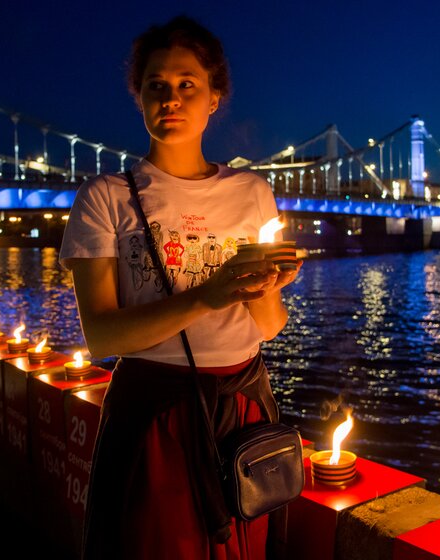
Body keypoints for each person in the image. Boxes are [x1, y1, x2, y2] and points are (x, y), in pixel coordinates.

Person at [59, 16, 301, 560]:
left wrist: (266, 284)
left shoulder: (252, 191)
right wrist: (207, 296)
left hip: (243, 407)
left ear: (215, 96)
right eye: (156, 86)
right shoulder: (107, 197)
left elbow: (267, 326)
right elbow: (101, 336)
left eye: (188, 84)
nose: (171, 98)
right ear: (139, 97)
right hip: (155, 414)